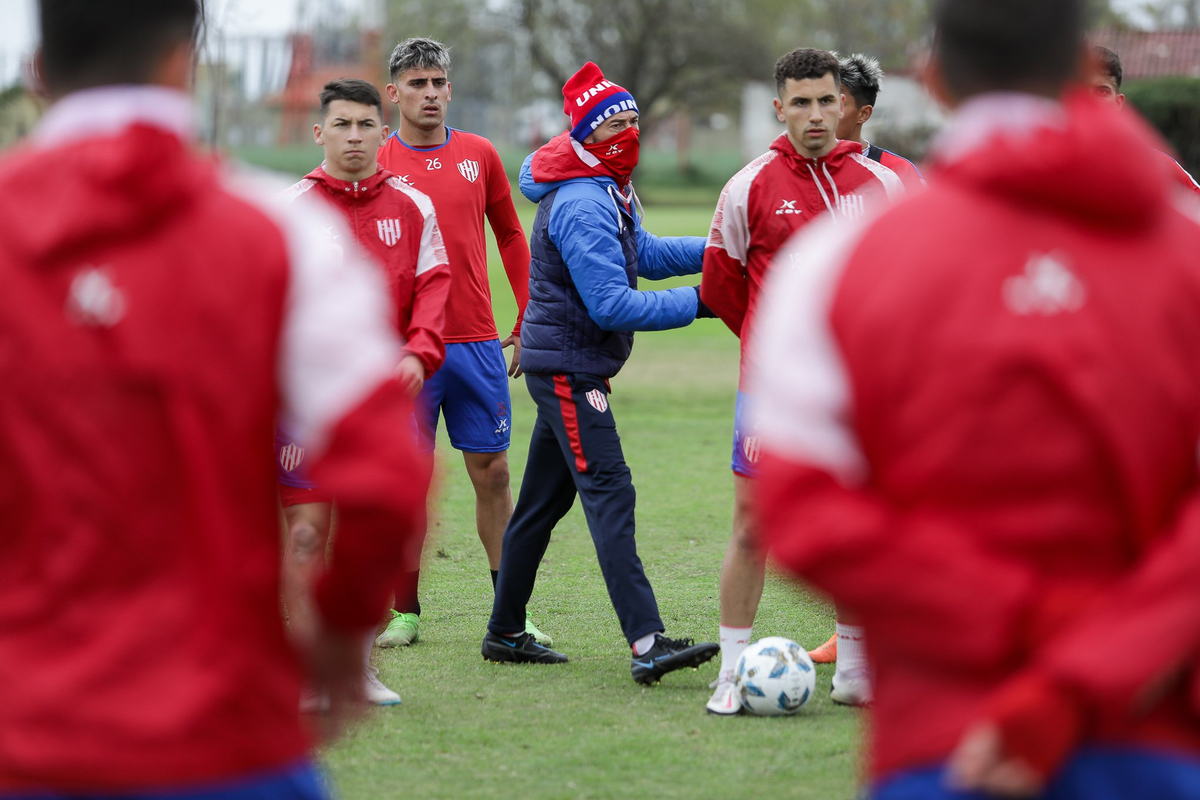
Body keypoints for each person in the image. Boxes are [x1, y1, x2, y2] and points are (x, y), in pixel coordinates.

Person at [751, 0, 1200, 797]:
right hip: (1151, 733)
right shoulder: (1184, 248)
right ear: (1081, 69)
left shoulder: (836, 263)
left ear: (934, 79)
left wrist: (1021, 620)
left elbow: (804, 512)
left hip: (945, 742)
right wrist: (1087, 663)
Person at [0, 1, 431, 796]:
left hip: (24, 735)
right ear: (183, 63)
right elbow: (386, 476)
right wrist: (341, 636)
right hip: (225, 738)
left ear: (36, 72)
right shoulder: (281, 232)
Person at [482, 61, 719, 684]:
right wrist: (705, 300)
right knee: (611, 490)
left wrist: (722, 250)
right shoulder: (584, 202)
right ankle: (647, 642)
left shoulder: (608, 184)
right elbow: (612, 304)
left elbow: (646, 252)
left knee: (541, 503)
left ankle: (504, 631)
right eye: (616, 123)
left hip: (569, 364)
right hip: (569, 371)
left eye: (635, 120)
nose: (629, 132)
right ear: (586, 132)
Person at [699, 48, 903, 714]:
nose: (816, 115)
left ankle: (856, 668)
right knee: (753, 527)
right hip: (770, 394)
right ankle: (731, 674)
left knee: (856, 525)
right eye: (801, 103)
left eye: (826, 101)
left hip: (857, 392)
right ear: (778, 108)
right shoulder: (747, 186)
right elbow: (722, 286)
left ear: (843, 104)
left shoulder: (885, 184)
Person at [277, 77, 450, 708]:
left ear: (383, 131)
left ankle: (356, 666)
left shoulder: (413, 206)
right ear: (319, 132)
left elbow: (435, 286)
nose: (354, 137)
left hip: (379, 401)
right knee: (305, 533)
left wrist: (418, 354)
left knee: (368, 535)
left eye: (365, 125)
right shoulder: (291, 209)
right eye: (341, 125)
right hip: (302, 405)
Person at [375, 38, 550, 648]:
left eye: (437, 83)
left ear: (450, 89)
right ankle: (404, 612)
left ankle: (510, 614)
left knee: (494, 474)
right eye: (416, 83)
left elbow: (511, 236)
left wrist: (528, 312)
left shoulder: (479, 154)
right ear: (394, 93)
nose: (429, 94)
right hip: (405, 351)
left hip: (476, 342)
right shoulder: (376, 159)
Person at [1090, 44, 1200, 197]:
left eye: (1102, 91)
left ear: (1118, 103)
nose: (1090, 99)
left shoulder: (1159, 166)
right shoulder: (1054, 164)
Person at [835, 52, 926, 191]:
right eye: (823, 101)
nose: (822, 113)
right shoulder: (804, 168)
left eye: (836, 103)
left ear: (864, 114)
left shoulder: (900, 171)